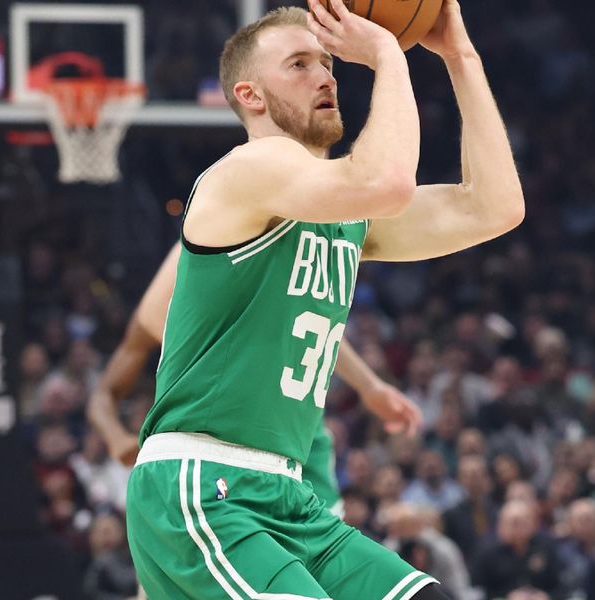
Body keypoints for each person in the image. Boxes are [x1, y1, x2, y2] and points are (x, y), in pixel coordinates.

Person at [126, 0, 524, 597]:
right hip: (204, 484)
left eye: (328, 63)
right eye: (299, 64)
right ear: (251, 96)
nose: (325, 75)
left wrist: (459, 57)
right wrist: (389, 51)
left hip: (288, 494)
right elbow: (383, 183)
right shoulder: (248, 170)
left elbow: (493, 208)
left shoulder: (342, 212)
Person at [87, 241, 423, 517]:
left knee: (318, 560)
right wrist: (116, 438)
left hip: (292, 431)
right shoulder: (162, 304)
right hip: (215, 445)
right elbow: (103, 394)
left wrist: (369, 385)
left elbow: (309, 317)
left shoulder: (250, 252)